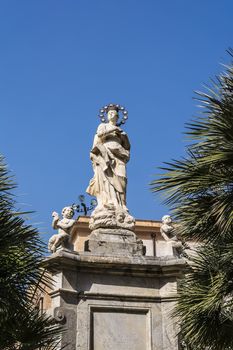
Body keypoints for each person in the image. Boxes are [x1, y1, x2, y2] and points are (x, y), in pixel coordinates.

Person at [86, 105, 130, 212]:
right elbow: (99, 136)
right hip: (105, 155)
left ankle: (122, 204)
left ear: (117, 116)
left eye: (113, 113)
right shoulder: (103, 126)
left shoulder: (122, 133)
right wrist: (112, 131)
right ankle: (109, 201)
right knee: (106, 178)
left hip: (119, 158)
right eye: (109, 113)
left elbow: (127, 147)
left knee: (122, 179)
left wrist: (122, 138)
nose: (111, 115)